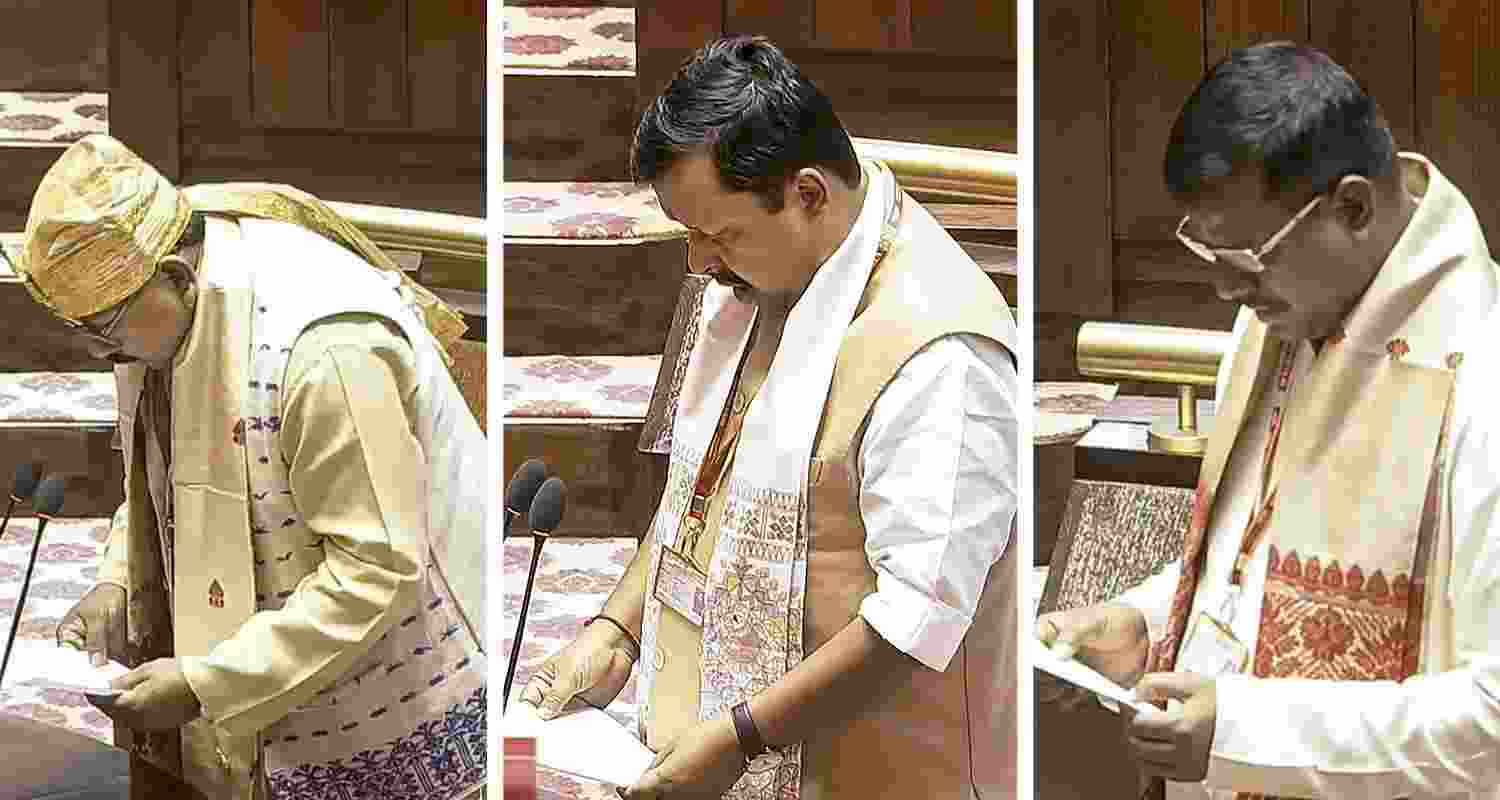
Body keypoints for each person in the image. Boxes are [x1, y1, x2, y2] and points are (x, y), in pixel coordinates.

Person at [518, 36, 1020, 800]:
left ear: (810, 194)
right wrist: (617, 626)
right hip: (713, 738)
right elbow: (699, 490)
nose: (698, 261)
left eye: (718, 234)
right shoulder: (752, 283)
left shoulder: (939, 353)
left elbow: (917, 619)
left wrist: (742, 738)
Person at [1037, 42, 1500, 799]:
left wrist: (1243, 733)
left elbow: (1493, 717)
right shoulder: (1280, 322)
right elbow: (1251, 561)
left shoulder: (1483, 379)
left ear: (1352, 207)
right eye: (1208, 252)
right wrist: (1145, 624)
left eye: (1248, 258)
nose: (1225, 290)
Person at [25, 135, 488, 800]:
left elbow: (377, 567)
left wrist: (208, 683)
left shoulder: (324, 350)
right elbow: (164, 471)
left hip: (388, 686)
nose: (107, 353)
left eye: (108, 328)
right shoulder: (160, 312)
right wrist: (117, 581)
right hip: (265, 656)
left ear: (178, 278)